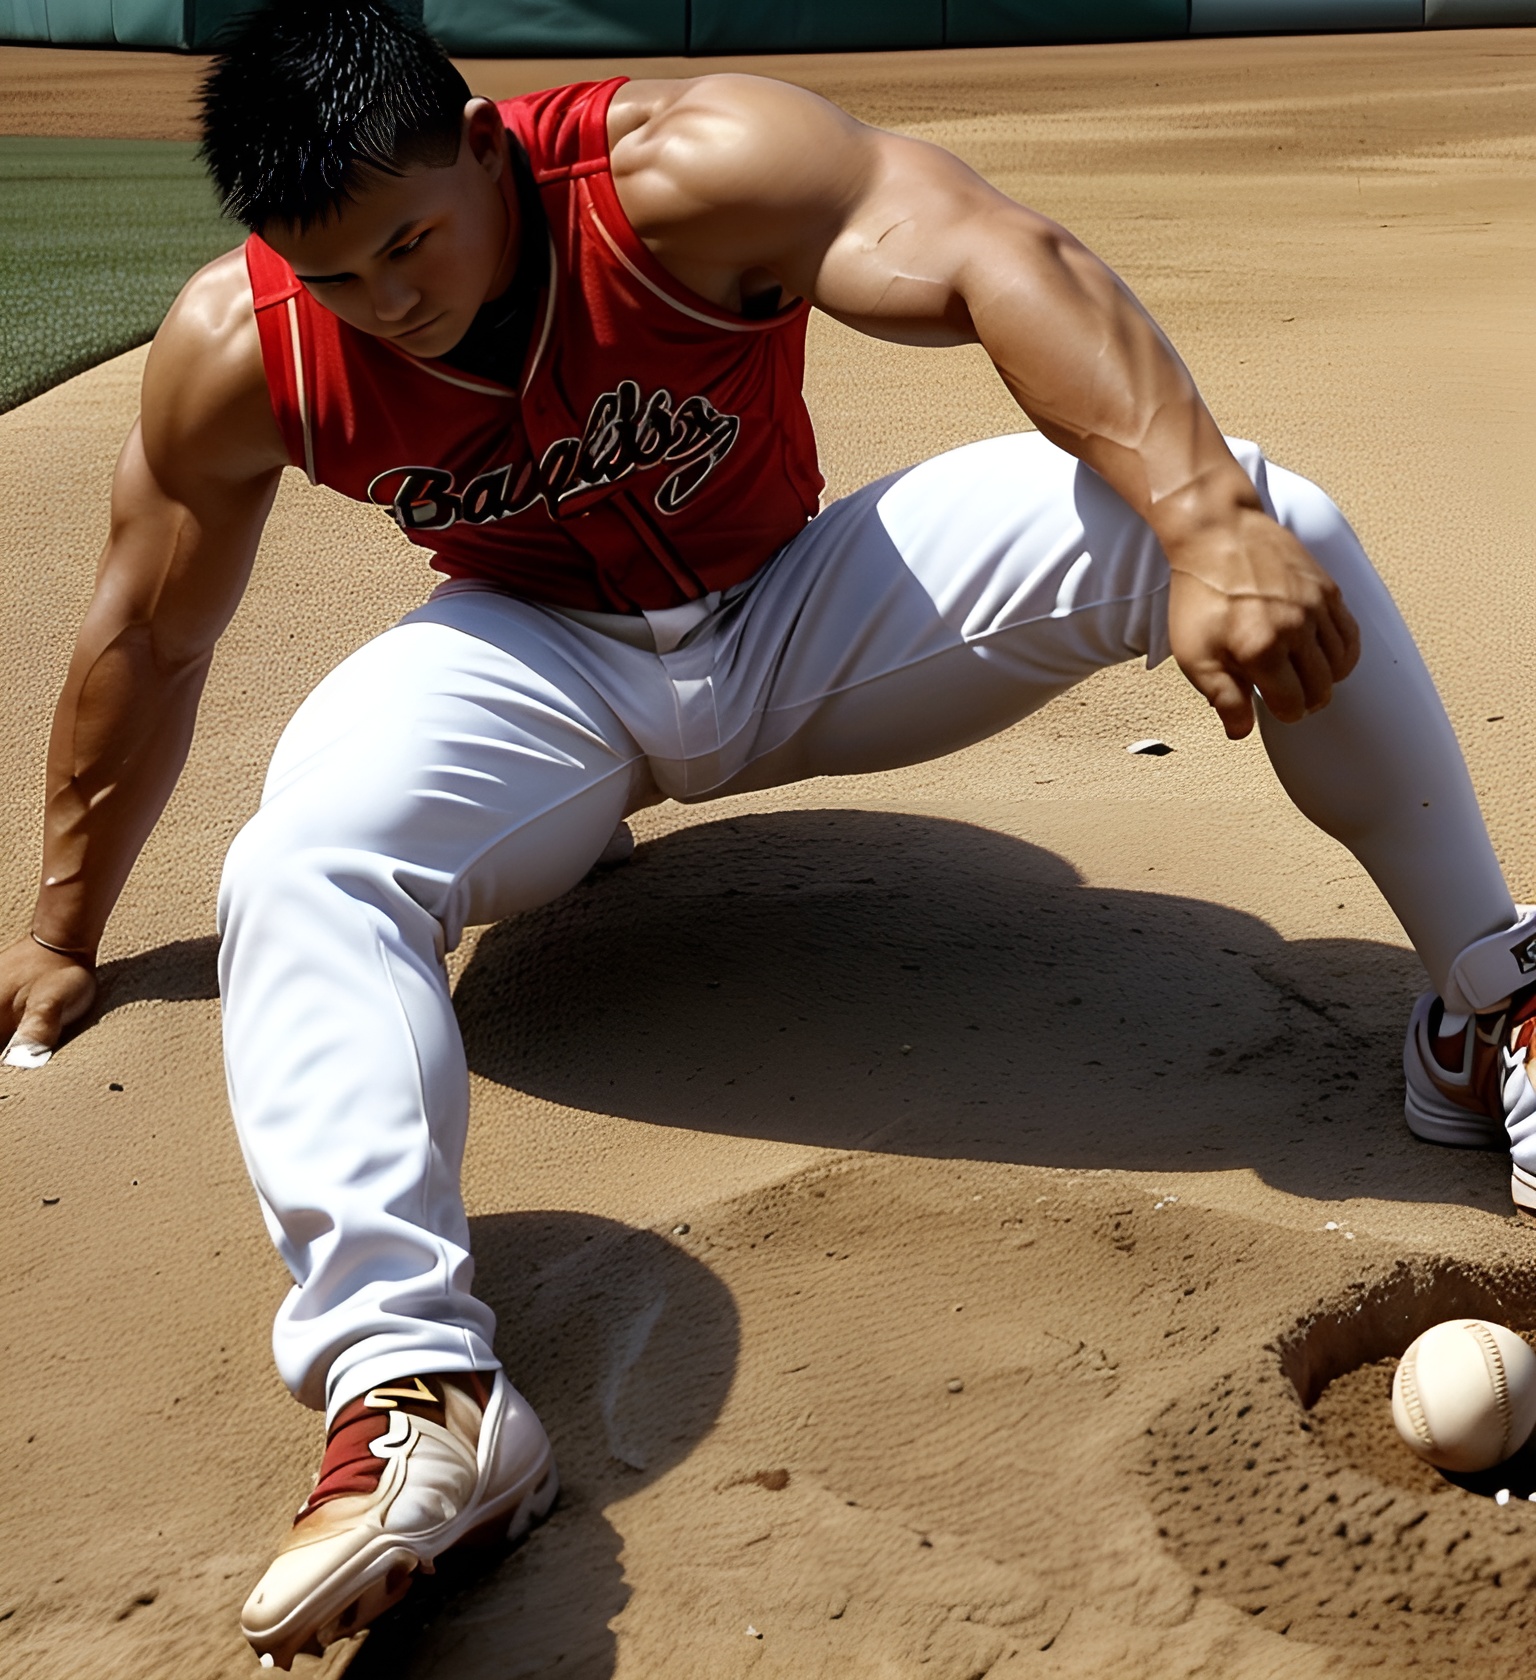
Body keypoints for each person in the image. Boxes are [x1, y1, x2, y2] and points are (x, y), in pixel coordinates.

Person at [1, 0, 1531, 1664]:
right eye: (336, 275)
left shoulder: (682, 170)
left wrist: (1209, 519)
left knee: (1266, 512)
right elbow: (146, 635)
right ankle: (415, 1391)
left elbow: (996, 258)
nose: (385, 303)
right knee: (297, 858)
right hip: (539, 669)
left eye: (406, 245)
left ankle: (1488, 999)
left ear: (478, 136)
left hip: (806, 612)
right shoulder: (244, 343)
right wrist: (59, 927)